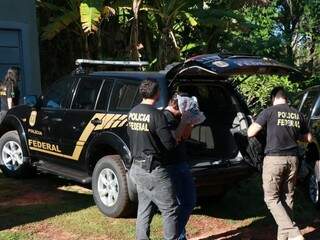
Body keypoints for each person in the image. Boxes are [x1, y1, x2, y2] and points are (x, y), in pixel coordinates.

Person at [247, 86, 312, 240]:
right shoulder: (298, 114)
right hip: (293, 160)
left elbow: (250, 132)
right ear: (286, 98)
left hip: (274, 159)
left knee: (271, 198)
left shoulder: (269, 112)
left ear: (272, 98)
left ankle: (294, 233)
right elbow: (307, 138)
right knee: (287, 198)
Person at [128, 79, 179, 240]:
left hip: (136, 168)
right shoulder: (157, 115)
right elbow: (169, 144)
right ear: (157, 94)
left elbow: (131, 136)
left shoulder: (133, 112)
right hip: (153, 170)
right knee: (170, 209)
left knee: (145, 208)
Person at [163, 93, 196, 240]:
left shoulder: (179, 117)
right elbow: (174, 139)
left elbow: (185, 136)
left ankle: (177, 234)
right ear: (178, 105)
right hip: (171, 165)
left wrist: (190, 122)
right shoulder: (164, 117)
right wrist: (184, 120)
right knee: (177, 204)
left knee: (189, 201)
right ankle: (177, 236)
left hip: (182, 162)